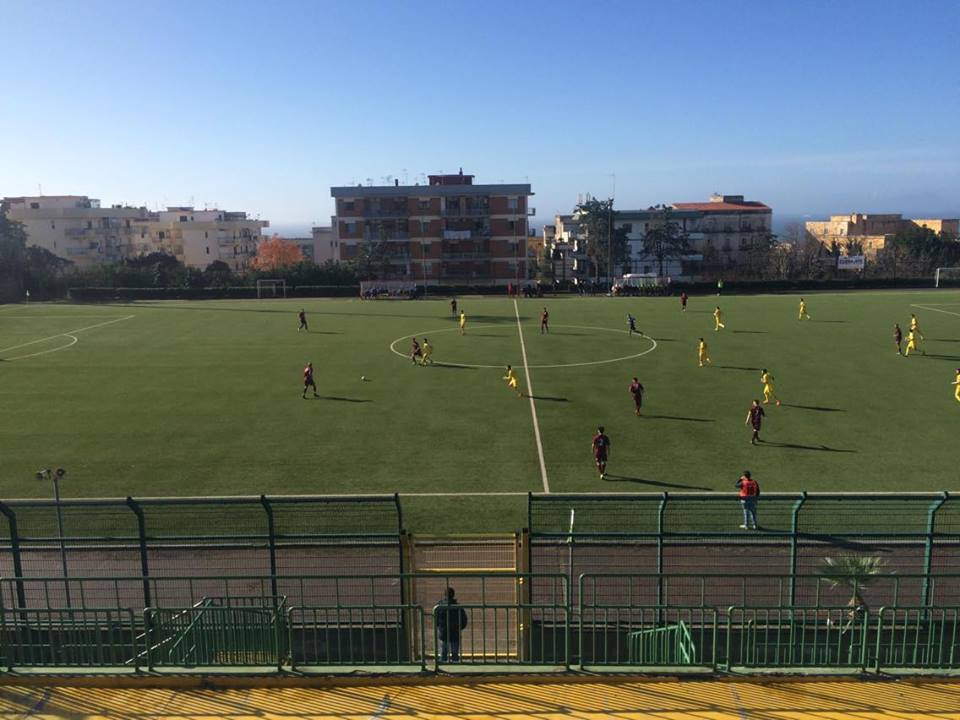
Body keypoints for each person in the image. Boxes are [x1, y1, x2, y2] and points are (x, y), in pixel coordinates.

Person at [434, 587, 468, 663]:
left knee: (443, 653)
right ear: (453, 595)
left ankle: (442, 670)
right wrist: (460, 627)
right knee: (455, 654)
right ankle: (456, 669)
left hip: (443, 633)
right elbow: (464, 619)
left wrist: (439, 627)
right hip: (455, 632)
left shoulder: (439, 606)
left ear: (445, 595)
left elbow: (435, 619)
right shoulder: (458, 607)